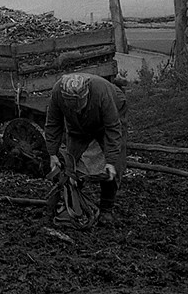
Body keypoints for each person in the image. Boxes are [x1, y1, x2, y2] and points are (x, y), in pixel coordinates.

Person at [44, 72, 128, 227]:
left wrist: (110, 161)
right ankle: (72, 203)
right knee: (73, 163)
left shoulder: (102, 93)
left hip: (110, 115)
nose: (76, 108)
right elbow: (53, 123)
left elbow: (113, 128)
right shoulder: (57, 93)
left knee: (112, 166)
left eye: (78, 103)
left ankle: (106, 210)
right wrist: (52, 153)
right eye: (72, 104)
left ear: (86, 94)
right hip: (78, 126)